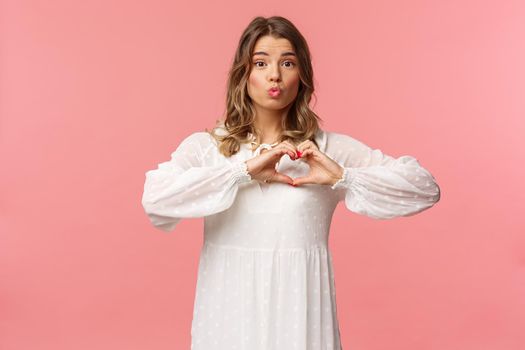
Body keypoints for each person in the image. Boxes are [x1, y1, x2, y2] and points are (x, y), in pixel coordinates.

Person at [141, 15, 440, 350]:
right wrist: (243, 172)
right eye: (260, 62)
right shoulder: (209, 147)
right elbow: (155, 199)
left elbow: (424, 188)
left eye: (288, 62)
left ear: (302, 76)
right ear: (244, 74)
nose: (275, 75)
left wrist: (343, 176)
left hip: (301, 322)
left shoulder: (325, 150)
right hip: (228, 320)